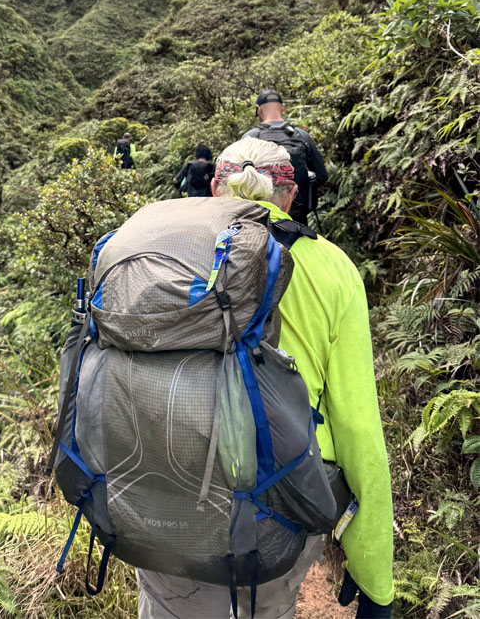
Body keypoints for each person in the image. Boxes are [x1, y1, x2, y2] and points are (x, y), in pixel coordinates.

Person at [137, 136, 394, 619]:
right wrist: (373, 570)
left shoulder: (165, 252)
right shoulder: (332, 269)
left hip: (165, 496)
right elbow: (358, 429)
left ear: (214, 188)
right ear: (291, 195)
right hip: (278, 513)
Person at [242, 90, 327, 224]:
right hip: (298, 216)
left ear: (259, 109)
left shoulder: (250, 137)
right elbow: (322, 175)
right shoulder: (301, 136)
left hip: (261, 215)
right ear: (283, 107)